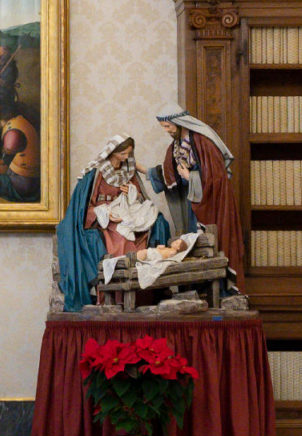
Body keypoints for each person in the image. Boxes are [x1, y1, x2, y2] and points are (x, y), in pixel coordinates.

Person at [55, 135, 167, 309]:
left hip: (127, 213)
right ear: (113, 152)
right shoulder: (97, 173)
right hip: (106, 218)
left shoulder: (128, 170)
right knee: (122, 239)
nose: (126, 157)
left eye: (128, 153)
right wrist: (106, 212)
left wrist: (133, 193)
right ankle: (118, 296)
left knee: (155, 223)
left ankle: (143, 295)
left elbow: (140, 197)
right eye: (122, 154)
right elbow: (85, 208)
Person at [154, 105, 240, 273]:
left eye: (168, 126)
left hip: (208, 202)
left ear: (178, 122)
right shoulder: (177, 144)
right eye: (164, 127)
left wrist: (190, 177)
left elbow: (217, 178)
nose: (166, 130)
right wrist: (146, 171)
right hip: (192, 199)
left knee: (208, 240)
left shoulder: (203, 142)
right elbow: (168, 171)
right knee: (192, 239)